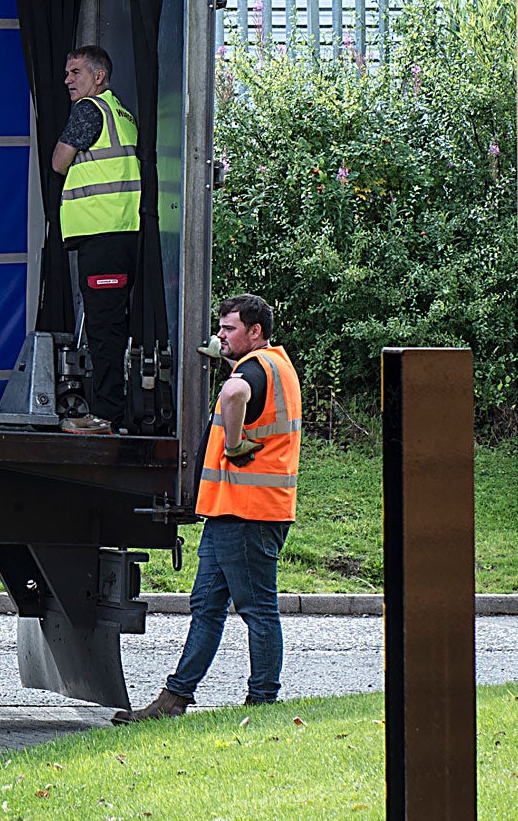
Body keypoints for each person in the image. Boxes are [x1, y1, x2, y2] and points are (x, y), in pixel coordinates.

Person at [115, 293, 302, 723]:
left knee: (257, 609)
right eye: (220, 328)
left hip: (248, 513)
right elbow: (238, 377)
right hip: (234, 511)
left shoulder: (253, 370)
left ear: (256, 332)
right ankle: (175, 698)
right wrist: (221, 350)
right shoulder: (276, 365)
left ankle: (263, 703)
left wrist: (234, 445)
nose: (221, 335)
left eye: (229, 328)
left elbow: (236, 392)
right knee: (207, 606)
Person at [51, 44, 144, 435]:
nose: (67, 80)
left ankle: (107, 416)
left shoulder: (90, 110)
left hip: (102, 234)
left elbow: (59, 161)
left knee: (104, 330)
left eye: (75, 73)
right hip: (120, 234)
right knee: (113, 327)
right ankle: (113, 410)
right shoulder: (122, 113)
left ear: (98, 76)